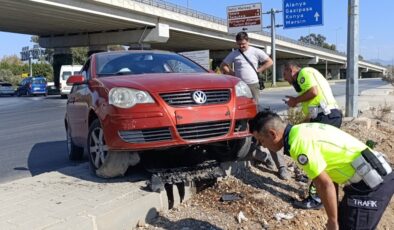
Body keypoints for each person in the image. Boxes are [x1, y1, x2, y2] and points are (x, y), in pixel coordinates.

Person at [249, 111, 394, 230]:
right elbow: (329, 177)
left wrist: (332, 220)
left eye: (262, 141)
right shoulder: (301, 131)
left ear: (272, 134)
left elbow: (324, 184)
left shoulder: (298, 145)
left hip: (372, 185)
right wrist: (334, 215)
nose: (263, 146)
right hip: (369, 179)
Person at [220, 32, 288, 179]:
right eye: (239, 44)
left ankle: (281, 166)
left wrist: (258, 70)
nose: (241, 46)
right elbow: (223, 65)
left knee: (258, 119)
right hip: (239, 86)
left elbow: (269, 61)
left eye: (243, 44)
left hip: (253, 85)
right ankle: (262, 155)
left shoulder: (255, 51)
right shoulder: (235, 54)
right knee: (245, 120)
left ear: (248, 41)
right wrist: (232, 73)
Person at [283, 61, 343, 209]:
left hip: (326, 117)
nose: (285, 79)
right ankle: (329, 196)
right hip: (327, 117)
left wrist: (295, 101)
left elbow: (314, 92)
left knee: (316, 158)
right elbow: (312, 111)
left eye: (284, 75)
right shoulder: (306, 82)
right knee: (325, 159)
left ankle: (316, 199)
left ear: (291, 70)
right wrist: (301, 126)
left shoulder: (304, 73)